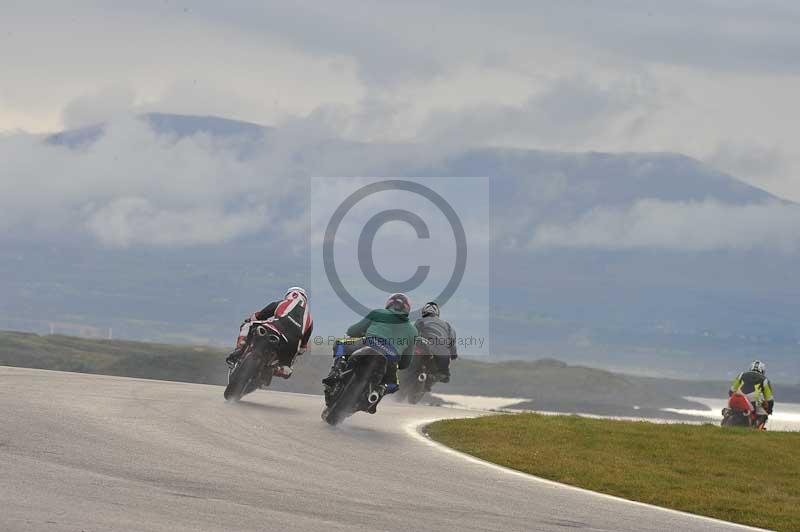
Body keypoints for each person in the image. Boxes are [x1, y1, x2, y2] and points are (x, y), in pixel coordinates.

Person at [325, 293, 417, 401]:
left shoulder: (378, 313)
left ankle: (337, 370)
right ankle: (379, 390)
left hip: (369, 343)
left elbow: (352, 331)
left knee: (339, 343)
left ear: (389, 304)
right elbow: (406, 362)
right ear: (407, 309)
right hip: (391, 358)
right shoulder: (413, 330)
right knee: (393, 385)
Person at [226, 287, 313, 380]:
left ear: (289, 295)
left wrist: (250, 319)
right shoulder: (310, 319)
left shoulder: (282, 303)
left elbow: (258, 316)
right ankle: (274, 370)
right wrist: (295, 353)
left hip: (275, 328)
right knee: (287, 370)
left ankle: (239, 349)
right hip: (292, 345)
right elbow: (303, 348)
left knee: (247, 325)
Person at [414, 301, 458, 383]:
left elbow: (413, 335)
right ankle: (440, 375)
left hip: (423, 350)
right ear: (437, 313)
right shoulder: (447, 325)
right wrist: (453, 354)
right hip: (440, 354)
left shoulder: (419, 321)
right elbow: (452, 342)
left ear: (424, 312)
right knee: (444, 375)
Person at [729, 360, 774, 426]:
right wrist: (769, 410)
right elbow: (769, 399)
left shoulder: (741, 375)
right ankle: (756, 428)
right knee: (764, 415)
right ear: (763, 371)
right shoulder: (764, 380)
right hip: (752, 402)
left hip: (736, 398)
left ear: (750, 368)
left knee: (728, 410)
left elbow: (731, 391)